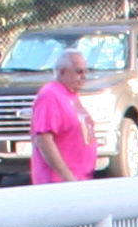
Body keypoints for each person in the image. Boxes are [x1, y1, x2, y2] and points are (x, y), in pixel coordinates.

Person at [29, 50, 96, 184]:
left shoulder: (70, 95)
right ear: (62, 72)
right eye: (78, 72)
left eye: (85, 72)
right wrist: (68, 178)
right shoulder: (50, 95)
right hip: (59, 183)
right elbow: (44, 140)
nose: (84, 76)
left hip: (79, 180)